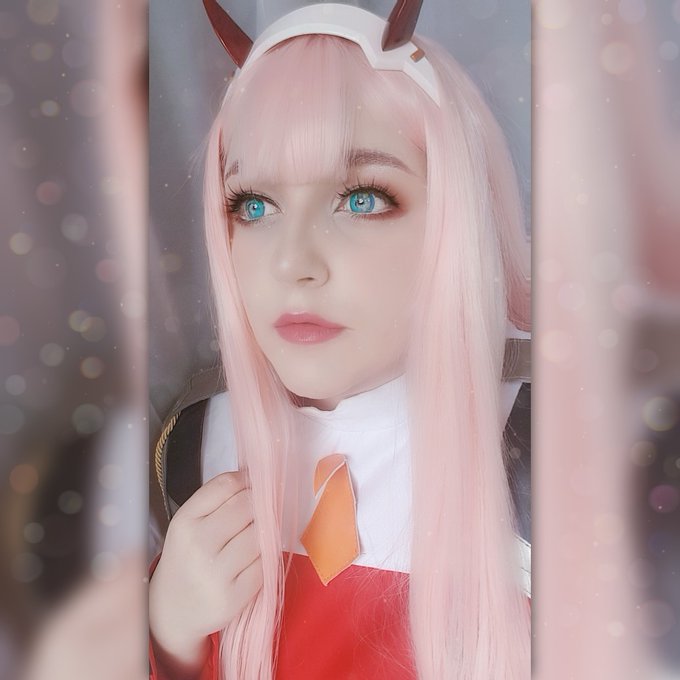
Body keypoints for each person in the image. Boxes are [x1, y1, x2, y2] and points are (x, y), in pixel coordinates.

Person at [149, 2, 531, 678]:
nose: (292, 262)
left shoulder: (553, 456)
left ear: (459, 212)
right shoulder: (197, 444)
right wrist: (172, 633)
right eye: (253, 205)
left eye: (362, 198)